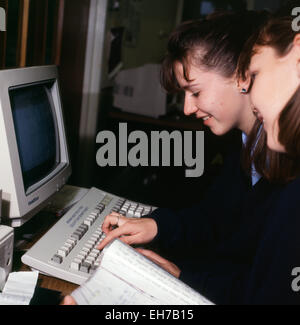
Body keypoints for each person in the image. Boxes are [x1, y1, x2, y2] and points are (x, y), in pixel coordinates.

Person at [62, 11, 293, 305]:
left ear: (241, 75)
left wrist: (183, 277)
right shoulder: (244, 144)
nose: (186, 109)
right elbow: (215, 219)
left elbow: (267, 289)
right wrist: (156, 226)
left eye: (194, 91)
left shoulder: (287, 168)